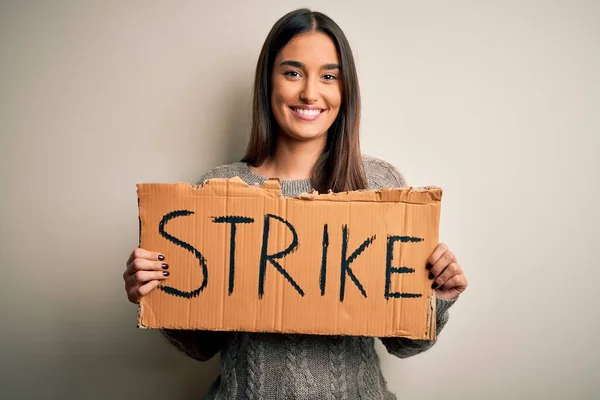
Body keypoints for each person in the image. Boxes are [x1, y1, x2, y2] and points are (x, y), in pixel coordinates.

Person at [123, 8, 468, 399]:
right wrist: (158, 290)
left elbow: (404, 344)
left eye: (329, 76)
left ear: (345, 89)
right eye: (292, 73)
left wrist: (435, 300)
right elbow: (202, 347)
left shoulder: (379, 186)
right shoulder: (218, 189)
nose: (309, 92)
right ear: (268, 83)